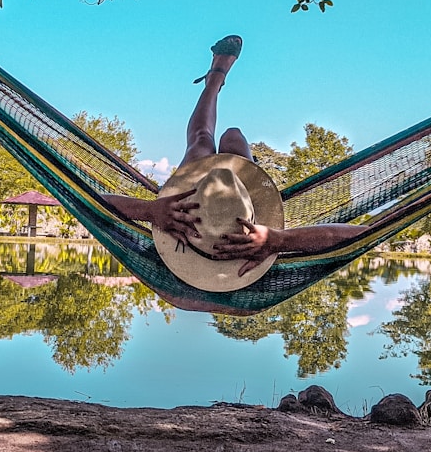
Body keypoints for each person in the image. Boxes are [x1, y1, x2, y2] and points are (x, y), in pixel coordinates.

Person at [105, 36, 367, 289]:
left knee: (202, 142)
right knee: (232, 137)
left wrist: (149, 211)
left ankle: (213, 81)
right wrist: (278, 240)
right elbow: (363, 233)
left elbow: (95, 201)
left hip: (189, 210)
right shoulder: (254, 268)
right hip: (245, 227)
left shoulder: (173, 286)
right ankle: (215, 80)